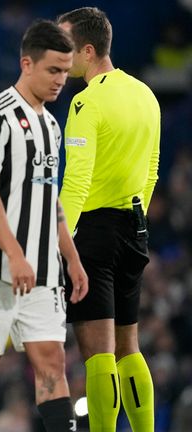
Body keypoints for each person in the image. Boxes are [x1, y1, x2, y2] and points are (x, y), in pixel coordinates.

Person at [0, 20, 88, 432]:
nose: (61, 80)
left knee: (53, 363)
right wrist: (14, 253)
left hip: (42, 271)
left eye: (65, 70)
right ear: (27, 63)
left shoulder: (51, 125)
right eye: (53, 70)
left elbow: (49, 198)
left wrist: (71, 259)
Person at [57, 7, 160, 431]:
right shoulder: (145, 95)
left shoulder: (86, 101)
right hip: (134, 227)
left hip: (93, 234)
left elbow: (77, 179)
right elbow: (152, 169)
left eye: (65, 47)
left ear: (87, 49)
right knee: (128, 346)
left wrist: (59, 237)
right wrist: (136, 217)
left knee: (97, 352)